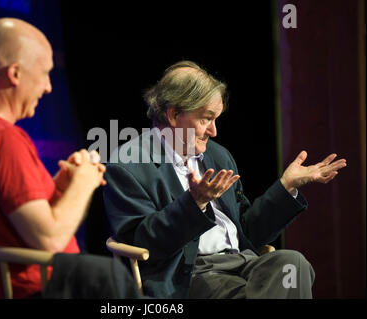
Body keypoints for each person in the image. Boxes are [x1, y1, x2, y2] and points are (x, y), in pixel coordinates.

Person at [103, 60, 347, 298]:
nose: (214, 131)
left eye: (215, 119)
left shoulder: (217, 155)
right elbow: (143, 242)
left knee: (292, 263)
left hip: (242, 263)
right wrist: (194, 203)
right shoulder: (129, 165)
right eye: (206, 119)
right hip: (190, 274)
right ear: (174, 115)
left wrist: (286, 186)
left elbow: (248, 231)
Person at [0, 18, 140, 299]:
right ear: (15, 74)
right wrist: (84, 181)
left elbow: (5, 218)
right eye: (44, 74)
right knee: (112, 275)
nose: (48, 87)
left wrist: (61, 187)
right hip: (39, 290)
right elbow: (49, 238)